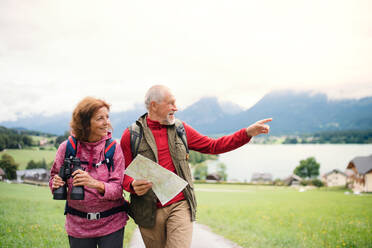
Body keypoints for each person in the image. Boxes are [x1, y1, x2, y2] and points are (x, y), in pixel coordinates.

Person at [121, 85, 272, 248]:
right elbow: (122, 173)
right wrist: (132, 185)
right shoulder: (131, 136)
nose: (176, 108)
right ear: (154, 105)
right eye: (170, 103)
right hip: (147, 211)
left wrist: (247, 133)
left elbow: (213, 146)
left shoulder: (180, 129)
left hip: (180, 205)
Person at [49, 97, 128, 248]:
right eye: (100, 118)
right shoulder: (66, 148)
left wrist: (94, 183)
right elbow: (53, 178)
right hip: (78, 226)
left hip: (111, 223)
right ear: (85, 123)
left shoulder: (113, 148)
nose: (107, 122)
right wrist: (56, 183)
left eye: (107, 117)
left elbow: (118, 189)